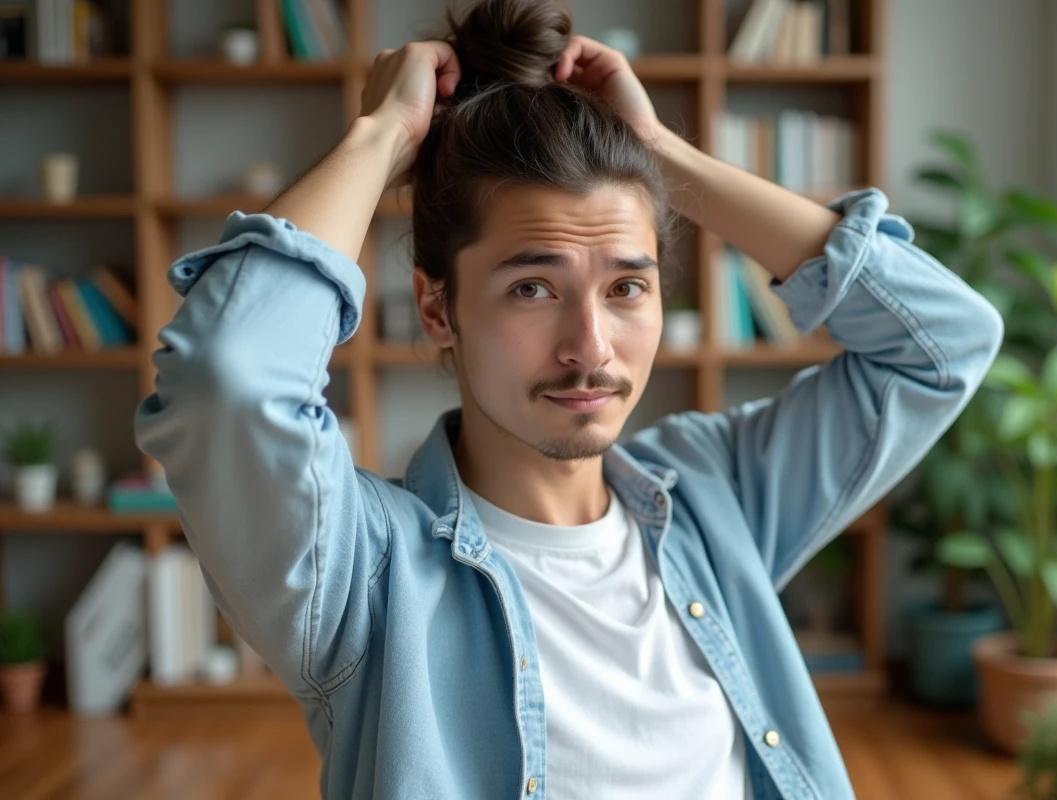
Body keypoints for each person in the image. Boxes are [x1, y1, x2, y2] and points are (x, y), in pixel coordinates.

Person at [133, 0, 1002, 797]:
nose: (591, 347)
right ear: (436, 307)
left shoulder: (715, 499)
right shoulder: (363, 572)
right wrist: (380, 136)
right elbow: (229, 380)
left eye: (626, 288)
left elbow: (944, 344)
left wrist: (660, 156)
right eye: (532, 289)